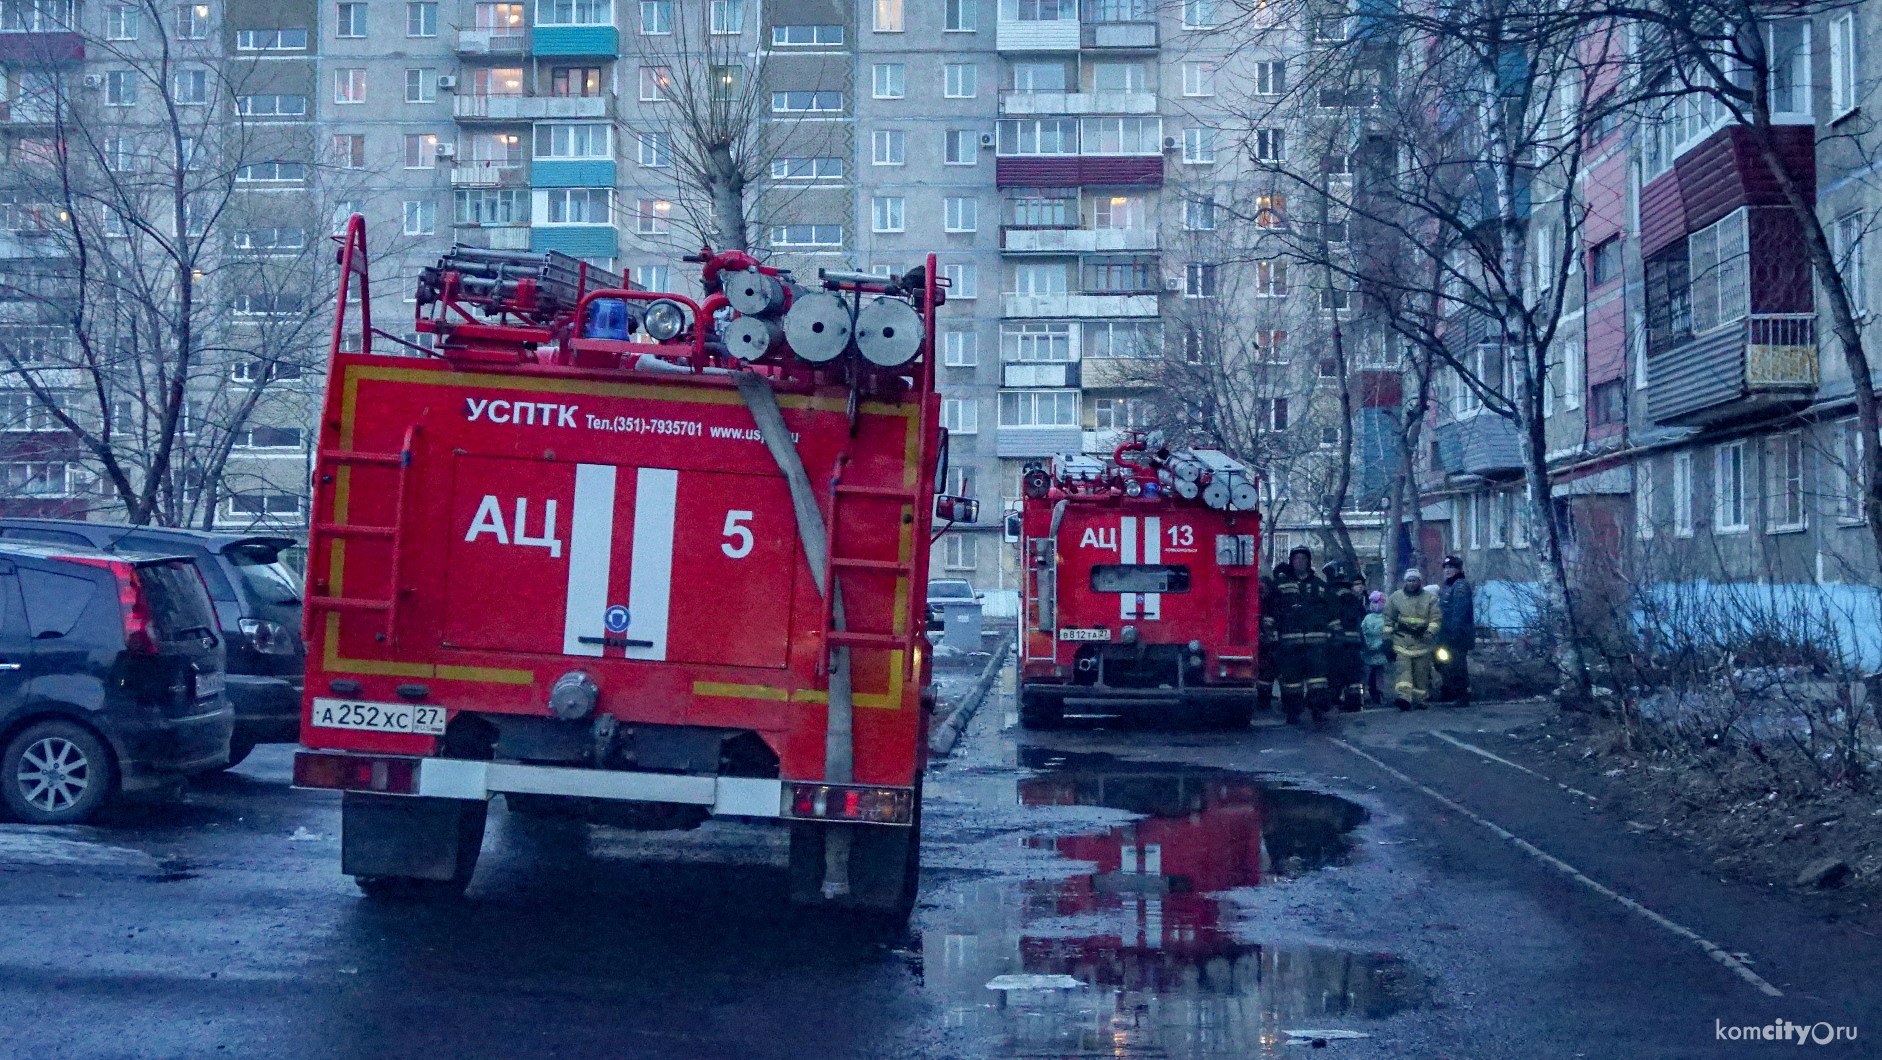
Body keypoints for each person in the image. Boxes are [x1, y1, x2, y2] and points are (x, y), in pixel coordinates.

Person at [1272, 546, 1332, 723]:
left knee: (1318, 680)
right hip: (1290, 641)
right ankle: (1293, 711)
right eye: (1296, 559)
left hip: (1316, 642)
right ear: (1291, 561)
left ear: (1309, 562)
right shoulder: (1281, 585)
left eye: (1303, 559)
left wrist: (1333, 633)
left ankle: (1318, 710)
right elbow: (1274, 608)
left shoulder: (1319, 585)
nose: (1300, 562)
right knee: (1292, 681)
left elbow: (1330, 610)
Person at [1384, 568, 1441, 710]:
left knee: (1420, 675)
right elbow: (1388, 619)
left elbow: (1436, 618)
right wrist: (1386, 639)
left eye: (1414, 580)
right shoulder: (1395, 598)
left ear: (1419, 582)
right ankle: (1403, 698)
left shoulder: (1430, 598)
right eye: (1409, 580)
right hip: (1401, 642)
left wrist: (1430, 632)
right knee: (1403, 673)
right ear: (1405, 581)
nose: (1411, 583)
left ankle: (1419, 700)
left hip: (1422, 643)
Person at [1324, 562, 1367, 712]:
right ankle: (1354, 702)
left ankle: (1332, 699)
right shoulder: (1351, 595)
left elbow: (1328, 615)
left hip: (1337, 640)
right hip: (1354, 640)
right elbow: (1361, 615)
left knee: (1335, 671)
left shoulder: (1329, 593)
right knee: (1353, 673)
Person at [1436, 555, 1476, 707]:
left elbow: (1459, 611)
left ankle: (1462, 694)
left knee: (1457, 665)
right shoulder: (1448, 586)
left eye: (1451, 568)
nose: (1447, 571)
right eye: (1445, 568)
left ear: (1458, 569)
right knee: (1443, 663)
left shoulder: (1460, 586)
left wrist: (1454, 631)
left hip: (1457, 635)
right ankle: (1449, 690)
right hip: (1445, 634)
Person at [1256, 564, 1282, 712]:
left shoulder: (1273, 601)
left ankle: (1264, 699)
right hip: (1263, 641)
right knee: (1264, 673)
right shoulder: (1259, 600)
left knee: (1268, 672)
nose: (1262, 591)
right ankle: (1263, 699)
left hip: (1272, 642)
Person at [1360, 590, 1388, 705]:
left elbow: (1387, 632)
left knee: (1379, 672)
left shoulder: (1386, 618)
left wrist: (1383, 644)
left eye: (1377, 602)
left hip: (1380, 650)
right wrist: (1366, 644)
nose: (1374, 605)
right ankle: (1365, 692)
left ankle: (1379, 692)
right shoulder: (1368, 618)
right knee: (1367, 672)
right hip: (1369, 649)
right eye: (1372, 602)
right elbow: (1363, 631)